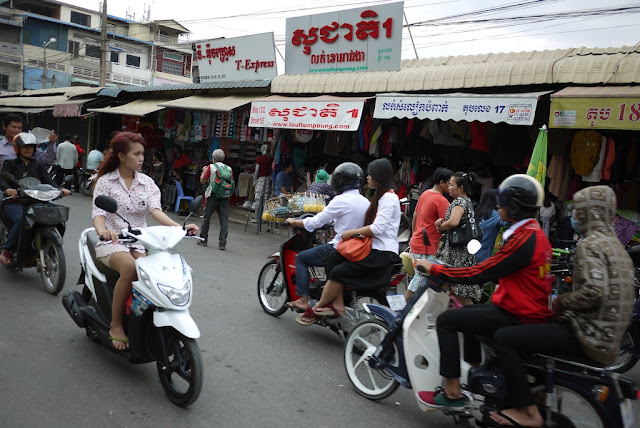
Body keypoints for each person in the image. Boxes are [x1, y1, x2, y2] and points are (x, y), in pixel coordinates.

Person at [414, 175, 553, 418]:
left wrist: (436, 269)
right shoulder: (534, 233)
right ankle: (476, 372)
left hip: (516, 314)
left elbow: (483, 271)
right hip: (521, 308)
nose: (498, 206)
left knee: (447, 320)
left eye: (503, 202)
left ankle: (453, 391)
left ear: (514, 207)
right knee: (467, 315)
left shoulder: (523, 239)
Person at [92, 132, 198, 350]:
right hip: (113, 241)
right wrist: (103, 232)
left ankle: (148, 318)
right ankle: (116, 324)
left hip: (141, 242)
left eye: (143, 154)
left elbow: (156, 211)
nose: (142, 158)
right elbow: (99, 215)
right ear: (121, 156)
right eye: (136, 154)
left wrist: (179, 228)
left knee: (159, 273)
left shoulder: (147, 183)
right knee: (131, 269)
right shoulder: (106, 182)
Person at [296, 158, 401, 325]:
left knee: (338, 272)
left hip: (381, 253)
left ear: (378, 177)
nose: (367, 178)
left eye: (370, 175)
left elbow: (377, 228)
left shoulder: (388, 198)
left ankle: (317, 309)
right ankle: (337, 303)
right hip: (374, 249)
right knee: (333, 259)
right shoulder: (376, 197)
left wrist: (351, 233)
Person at [285, 163, 370, 311]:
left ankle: (303, 300)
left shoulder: (340, 200)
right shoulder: (366, 202)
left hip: (340, 247)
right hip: (359, 248)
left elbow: (316, 222)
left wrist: (295, 222)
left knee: (302, 258)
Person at [0, 132, 71, 265]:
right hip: (15, 202)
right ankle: (7, 250)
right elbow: (3, 179)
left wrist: (59, 189)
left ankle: (49, 246)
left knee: (58, 217)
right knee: (22, 219)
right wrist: (8, 189)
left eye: (31, 147)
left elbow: (48, 179)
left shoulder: (37, 164)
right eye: (25, 147)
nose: (28, 149)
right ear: (17, 148)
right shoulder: (9, 164)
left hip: (36, 201)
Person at [405, 167, 453, 302]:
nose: (450, 187)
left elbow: (415, 215)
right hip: (428, 245)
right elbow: (449, 224)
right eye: (449, 183)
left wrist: (414, 234)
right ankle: (404, 308)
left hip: (417, 241)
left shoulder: (425, 193)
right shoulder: (441, 200)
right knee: (421, 277)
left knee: (423, 278)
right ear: (442, 183)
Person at [434, 171, 480, 305]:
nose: (448, 186)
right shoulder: (467, 201)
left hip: (457, 254)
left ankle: (471, 320)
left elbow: (454, 222)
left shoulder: (459, 202)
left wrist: (441, 227)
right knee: (454, 289)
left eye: (452, 184)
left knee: (459, 289)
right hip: (463, 250)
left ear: (461, 188)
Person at [198, 149, 231, 250]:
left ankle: (203, 240)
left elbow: (203, 181)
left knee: (206, 218)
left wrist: (203, 171)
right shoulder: (228, 168)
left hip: (212, 196)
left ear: (214, 158)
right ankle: (222, 243)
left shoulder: (211, 167)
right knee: (224, 220)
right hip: (224, 197)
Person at [474, 189, 508, 263]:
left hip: (469, 257)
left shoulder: (476, 211)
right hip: (483, 259)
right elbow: (508, 223)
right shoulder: (495, 215)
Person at [253, 143, 273, 209]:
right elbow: (272, 170)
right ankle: (264, 215)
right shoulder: (271, 159)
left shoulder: (260, 159)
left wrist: (255, 179)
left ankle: (257, 217)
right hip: (268, 179)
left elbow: (257, 170)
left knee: (258, 198)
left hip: (261, 179)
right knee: (266, 198)